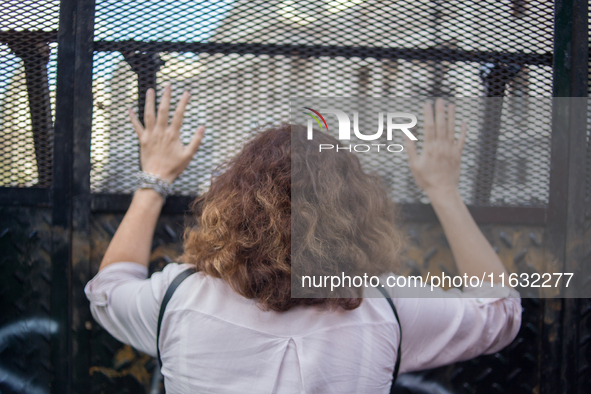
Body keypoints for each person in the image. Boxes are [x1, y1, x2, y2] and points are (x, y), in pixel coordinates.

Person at [85, 84, 521, 393]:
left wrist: (154, 181)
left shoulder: (175, 298)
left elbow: (108, 290)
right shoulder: (390, 306)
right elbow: (499, 312)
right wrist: (443, 190)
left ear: (229, 204)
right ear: (356, 212)